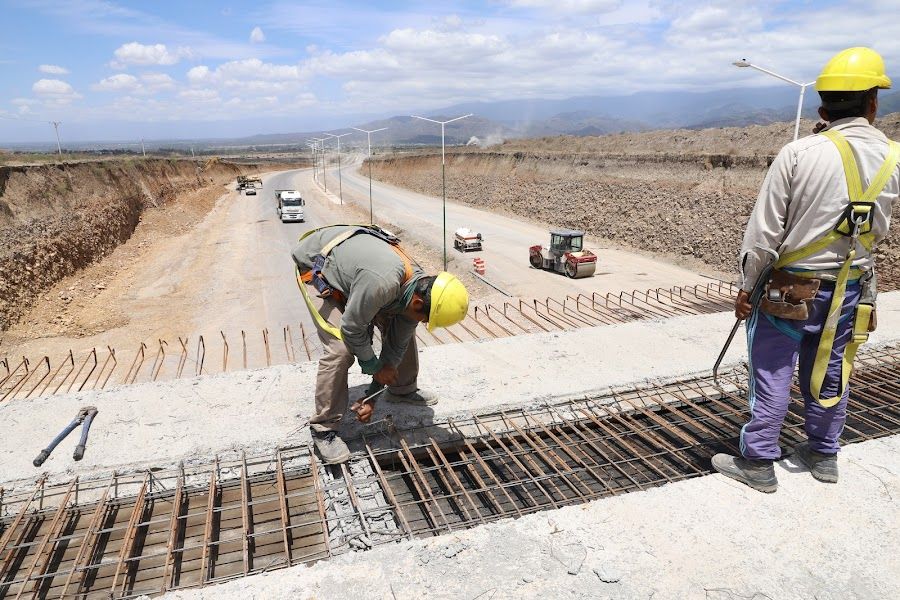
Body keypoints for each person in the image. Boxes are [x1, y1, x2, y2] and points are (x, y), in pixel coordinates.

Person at [712, 47, 900, 493]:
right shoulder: (894, 158)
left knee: (772, 372)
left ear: (822, 107)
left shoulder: (799, 153)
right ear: (873, 103)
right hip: (851, 290)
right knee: (831, 369)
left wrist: (746, 287)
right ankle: (822, 452)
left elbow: (763, 236)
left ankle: (758, 461)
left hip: (789, 291)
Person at [292, 224, 469, 464]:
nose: (424, 322)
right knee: (341, 349)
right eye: (426, 318)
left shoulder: (418, 288)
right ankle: (324, 429)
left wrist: (371, 397)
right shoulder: (383, 283)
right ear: (417, 303)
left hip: (364, 276)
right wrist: (373, 366)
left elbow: (396, 346)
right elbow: (352, 328)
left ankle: (401, 390)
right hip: (317, 267)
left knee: (401, 331)